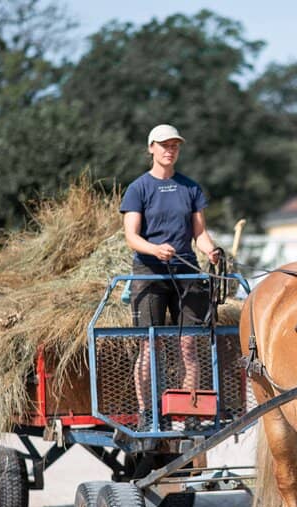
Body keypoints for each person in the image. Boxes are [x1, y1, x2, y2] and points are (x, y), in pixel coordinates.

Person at [120, 123, 222, 418]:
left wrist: (211, 251)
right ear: (151, 148)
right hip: (150, 274)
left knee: (188, 343)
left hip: (186, 273)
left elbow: (200, 233)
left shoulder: (189, 187)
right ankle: (146, 411)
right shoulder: (138, 188)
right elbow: (131, 236)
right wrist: (155, 249)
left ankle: (189, 408)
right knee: (150, 345)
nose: (170, 150)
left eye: (175, 145)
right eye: (164, 145)